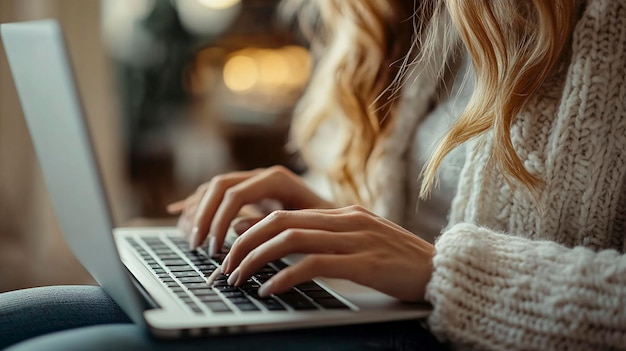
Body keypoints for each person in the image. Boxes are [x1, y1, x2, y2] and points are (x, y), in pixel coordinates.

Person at [2, 0, 625, 350]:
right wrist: (324, 213)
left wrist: (445, 273)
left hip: (468, 335)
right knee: (19, 318)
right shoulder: (397, 15)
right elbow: (412, 222)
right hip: (385, 320)